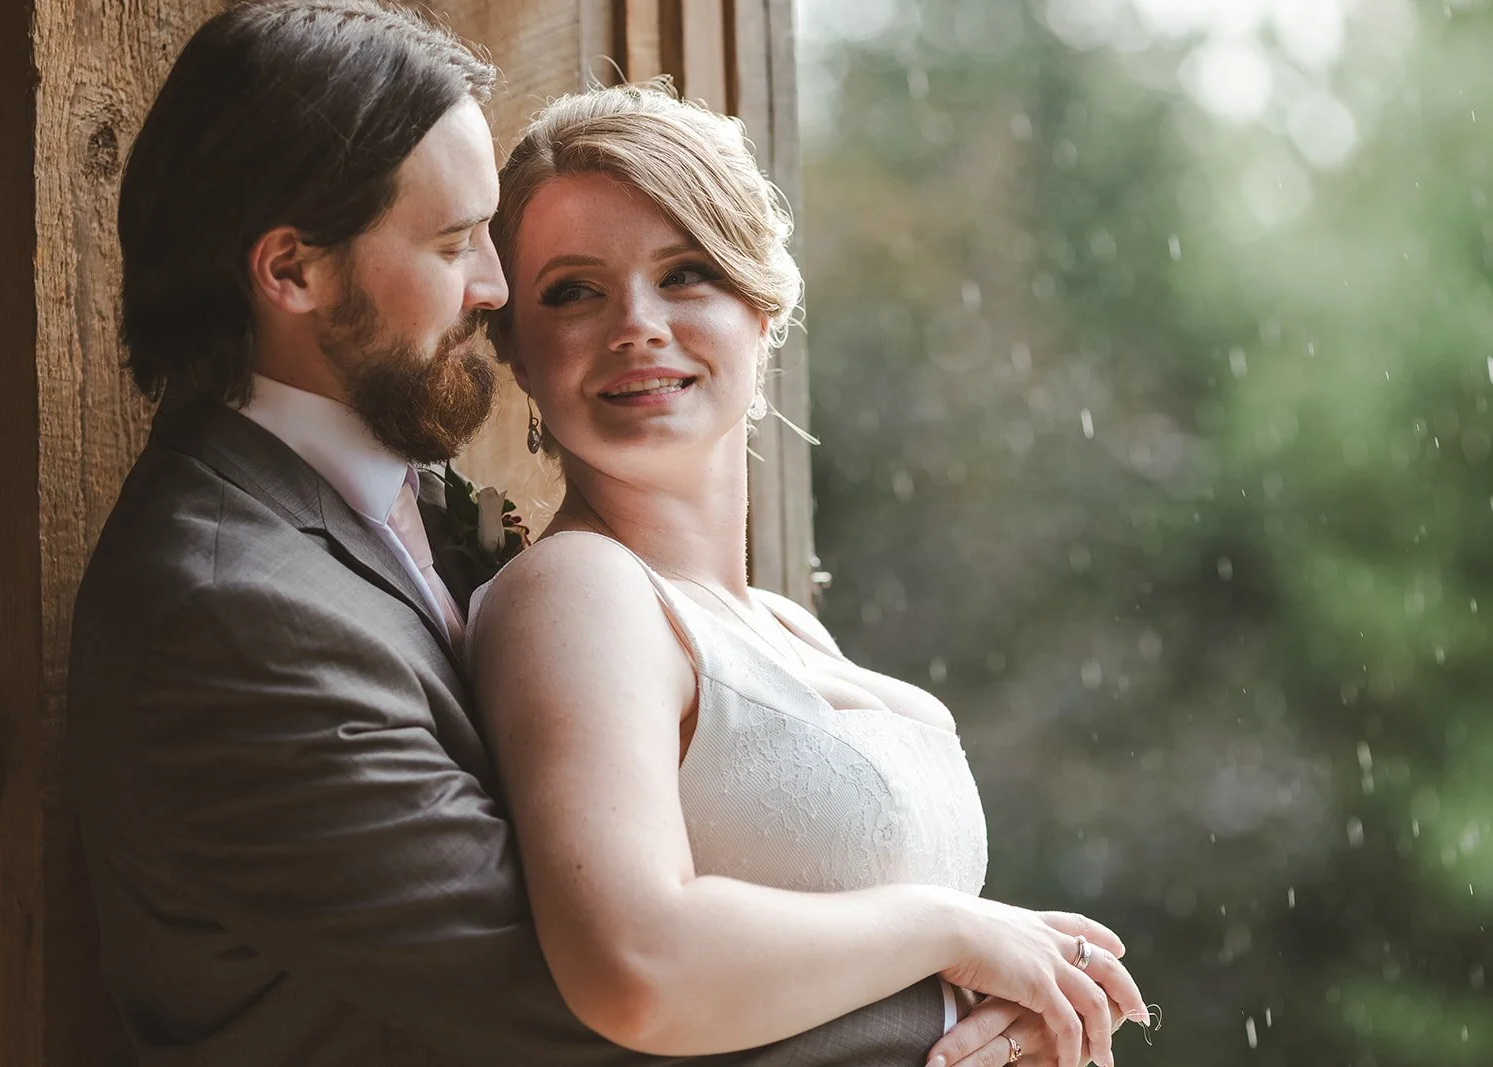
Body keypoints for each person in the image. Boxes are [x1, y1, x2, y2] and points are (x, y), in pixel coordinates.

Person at [68, 2, 1129, 1064]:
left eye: (689, 272)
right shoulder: (231, 602)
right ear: (292, 272)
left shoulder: (411, 510)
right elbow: (571, 982)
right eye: (455, 244)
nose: (490, 290)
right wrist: (961, 999)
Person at [467, 83, 1150, 1067]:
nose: (635, 324)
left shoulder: (785, 625)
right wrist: (952, 929)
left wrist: (1004, 994)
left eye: (685, 272)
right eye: (573, 290)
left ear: (761, 308)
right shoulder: (577, 591)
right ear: (520, 357)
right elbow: (635, 962)